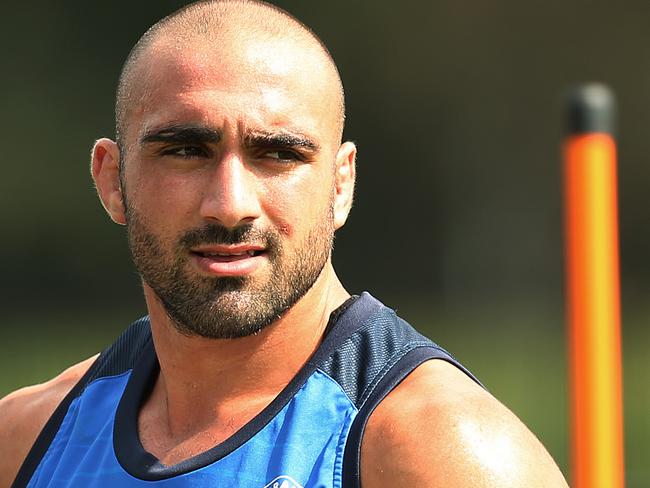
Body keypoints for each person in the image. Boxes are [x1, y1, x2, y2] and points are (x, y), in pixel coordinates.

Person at [0, 1, 569, 486]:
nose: (230, 204)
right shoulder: (27, 442)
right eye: (184, 150)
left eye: (278, 154)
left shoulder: (439, 456)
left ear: (340, 185)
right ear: (110, 180)